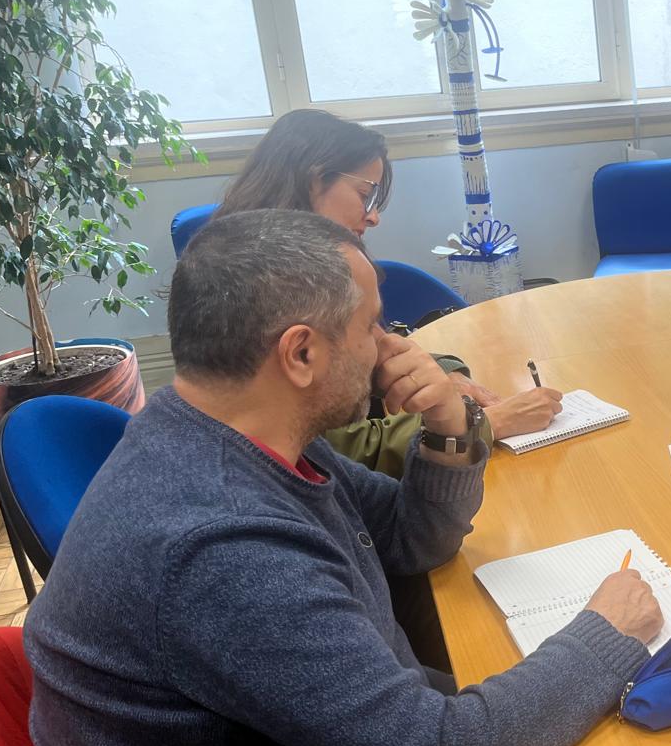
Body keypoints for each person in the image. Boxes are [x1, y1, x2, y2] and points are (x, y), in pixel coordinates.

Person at [23, 209, 664, 746]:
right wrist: (605, 636)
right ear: (300, 353)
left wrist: (450, 425)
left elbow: (410, 539)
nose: (391, 347)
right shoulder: (220, 547)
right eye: (372, 326)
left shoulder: (233, 431)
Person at [219, 108, 562, 477]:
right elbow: (337, 452)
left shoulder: (292, 258)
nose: (373, 216)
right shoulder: (266, 287)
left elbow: (371, 346)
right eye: (365, 195)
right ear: (315, 181)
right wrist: (485, 424)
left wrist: (443, 375)